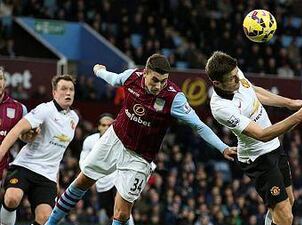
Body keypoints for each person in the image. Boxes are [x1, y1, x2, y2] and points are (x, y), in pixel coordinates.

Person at [45, 53, 236, 225]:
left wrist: (223, 147)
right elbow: (114, 79)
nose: (159, 85)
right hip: (115, 139)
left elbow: (199, 125)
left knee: (121, 213)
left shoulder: (174, 97)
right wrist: (99, 71)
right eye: (155, 80)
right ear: (145, 73)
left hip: (140, 158)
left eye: (163, 81)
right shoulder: (132, 77)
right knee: (82, 181)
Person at [206, 51, 302, 225]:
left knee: (289, 203)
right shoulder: (221, 107)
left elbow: (253, 90)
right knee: (285, 217)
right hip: (257, 158)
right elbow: (262, 135)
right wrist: (299, 116)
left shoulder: (235, 74)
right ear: (217, 83)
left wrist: (289, 103)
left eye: (237, 73)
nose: (238, 79)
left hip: (274, 147)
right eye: (232, 78)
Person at [0, 74, 78, 225]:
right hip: (25, 166)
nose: (68, 93)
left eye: (71, 89)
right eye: (63, 89)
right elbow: (16, 130)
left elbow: (58, 152)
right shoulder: (44, 110)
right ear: (54, 92)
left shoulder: (74, 119)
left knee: (44, 218)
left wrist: (56, 180)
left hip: (47, 175)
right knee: (12, 198)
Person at [79, 113, 133, 225]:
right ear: (98, 127)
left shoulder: (122, 140)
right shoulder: (90, 141)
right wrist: (91, 178)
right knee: (109, 214)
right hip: (101, 183)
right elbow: (83, 162)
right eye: (104, 125)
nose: (107, 128)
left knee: (122, 210)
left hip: (117, 181)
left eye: (110, 125)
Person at [0, 67, 28, 181]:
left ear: (5, 82)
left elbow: (27, 140)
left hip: (7, 173)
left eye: (1, 78)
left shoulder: (19, 109)